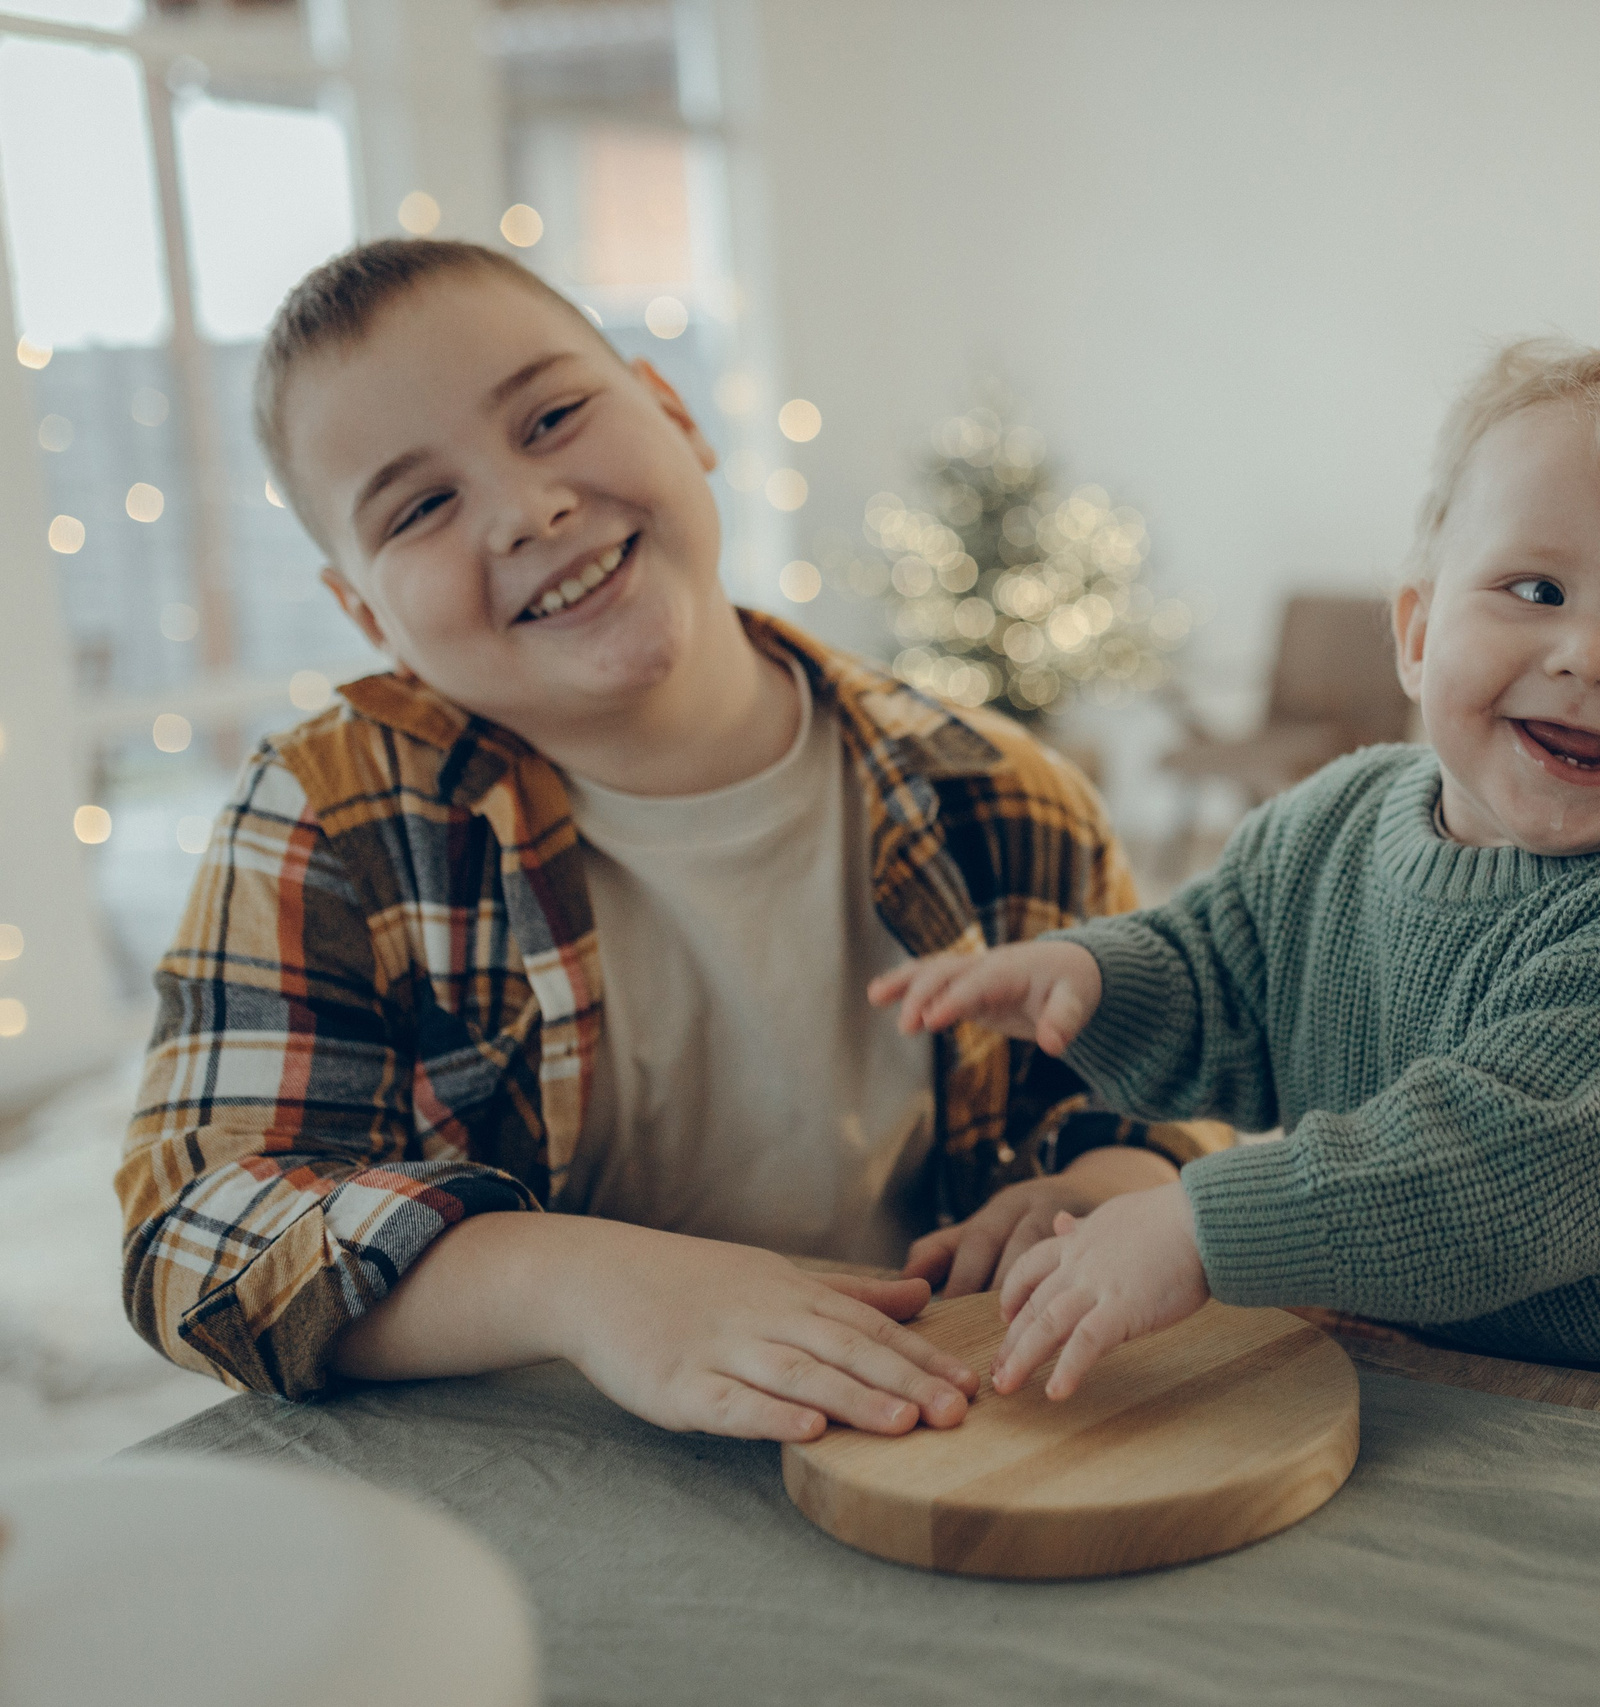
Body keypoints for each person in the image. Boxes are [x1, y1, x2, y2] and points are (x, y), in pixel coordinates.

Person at [116, 238, 1223, 1442]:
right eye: (421, 506)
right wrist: (575, 1282)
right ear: (367, 614)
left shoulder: (1003, 795)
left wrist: (1114, 1184)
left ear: (674, 410)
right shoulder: (330, 818)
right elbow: (194, 1235)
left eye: (549, 418)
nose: (527, 508)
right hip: (546, 1474)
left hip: (938, 1443)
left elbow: (1179, 1087)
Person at [875, 339, 1600, 1402]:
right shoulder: (1340, 814)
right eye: (1537, 587)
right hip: (1420, 1372)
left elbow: (1499, 1167)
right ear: (1415, 634)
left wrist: (1203, 1220)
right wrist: (1092, 979)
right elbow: (1220, 970)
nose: (1590, 657)